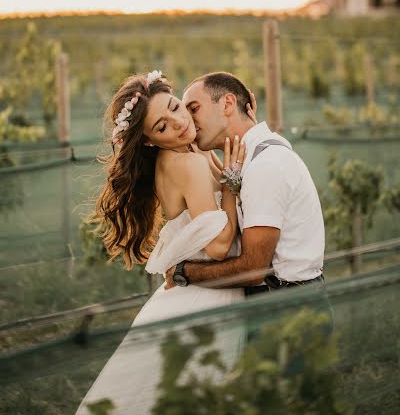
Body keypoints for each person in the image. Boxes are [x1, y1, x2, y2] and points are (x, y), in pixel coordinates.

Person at [75, 70, 254, 415]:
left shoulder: (184, 154)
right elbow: (217, 247)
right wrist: (232, 183)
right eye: (161, 127)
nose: (178, 122)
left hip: (191, 292)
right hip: (204, 297)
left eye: (175, 107)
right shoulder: (188, 163)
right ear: (148, 141)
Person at [165, 71, 326, 297]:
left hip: (289, 308)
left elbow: (253, 270)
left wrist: (183, 271)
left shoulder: (266, 164)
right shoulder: (250, 158)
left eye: (193, 109)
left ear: (228, 103)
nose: (187, 120)